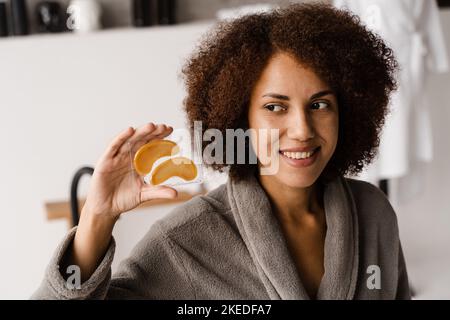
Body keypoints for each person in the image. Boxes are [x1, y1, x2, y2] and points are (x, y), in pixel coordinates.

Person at [32, 3, 411, 300]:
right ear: (239, 119)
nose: (302, 130)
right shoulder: (188, 240)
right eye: (275, 107)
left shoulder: (372, 213)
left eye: (319, 105)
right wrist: (98, 218)